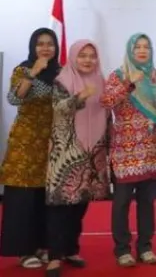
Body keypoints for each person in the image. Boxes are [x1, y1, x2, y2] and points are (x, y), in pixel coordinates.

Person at [101, 33, 156, 267]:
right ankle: (122, 249)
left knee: (147, 202)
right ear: (130, 50)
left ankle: (145, 247)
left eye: (146, 47)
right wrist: (129, 84)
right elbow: (106, 102)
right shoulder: (118, 75)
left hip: (152, 150)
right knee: (121, 203)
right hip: (126, 151)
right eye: (137, 47)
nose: (142, 51)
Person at [45, 40, 111, 276]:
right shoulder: (61, 80)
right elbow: (58, 109)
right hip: (67, 152)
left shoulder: (101, 81)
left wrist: (108, 147)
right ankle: (54, 256)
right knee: (60, 206)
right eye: (82, 55)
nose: (87, 60)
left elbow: (108, 115)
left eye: (92, 56)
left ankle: (71, 249)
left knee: (80, 206)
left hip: (93, 152)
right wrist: (78, 97)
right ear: (73, 57)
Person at [0, 28, 60, 269]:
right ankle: (23, 251)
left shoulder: (61, 72)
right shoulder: (23, 70)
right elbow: (15, 98)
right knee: (22, 197)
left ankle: (41, 245)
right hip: (25, 143)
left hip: (50, 142)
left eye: (50, 44)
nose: (45, 48)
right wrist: (33, 73)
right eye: (40, 43)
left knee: (44, 198)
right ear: (33, 47)